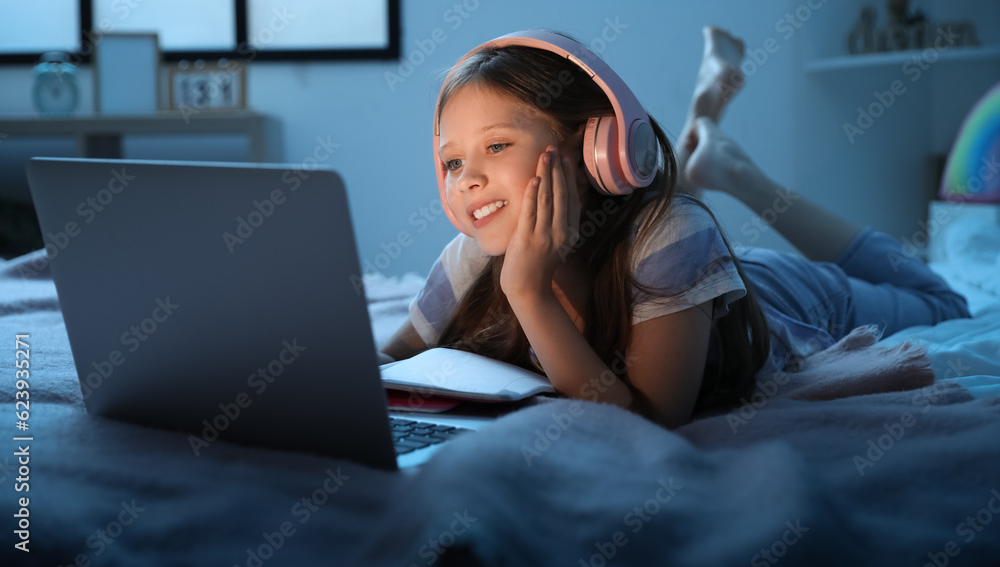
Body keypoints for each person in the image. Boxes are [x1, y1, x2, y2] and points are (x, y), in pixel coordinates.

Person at [379, 27, 970, 429]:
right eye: (453, 162)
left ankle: (738, 173)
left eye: (497, 146)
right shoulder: (470, 259)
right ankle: (705, 125)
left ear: (596, 148)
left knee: (943, 299)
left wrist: (529, 294)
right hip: (676, 269)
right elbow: (386, 364)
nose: (467, 179)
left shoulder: (672, 234)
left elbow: (649, 421)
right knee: (646, 213)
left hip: (787, 296)